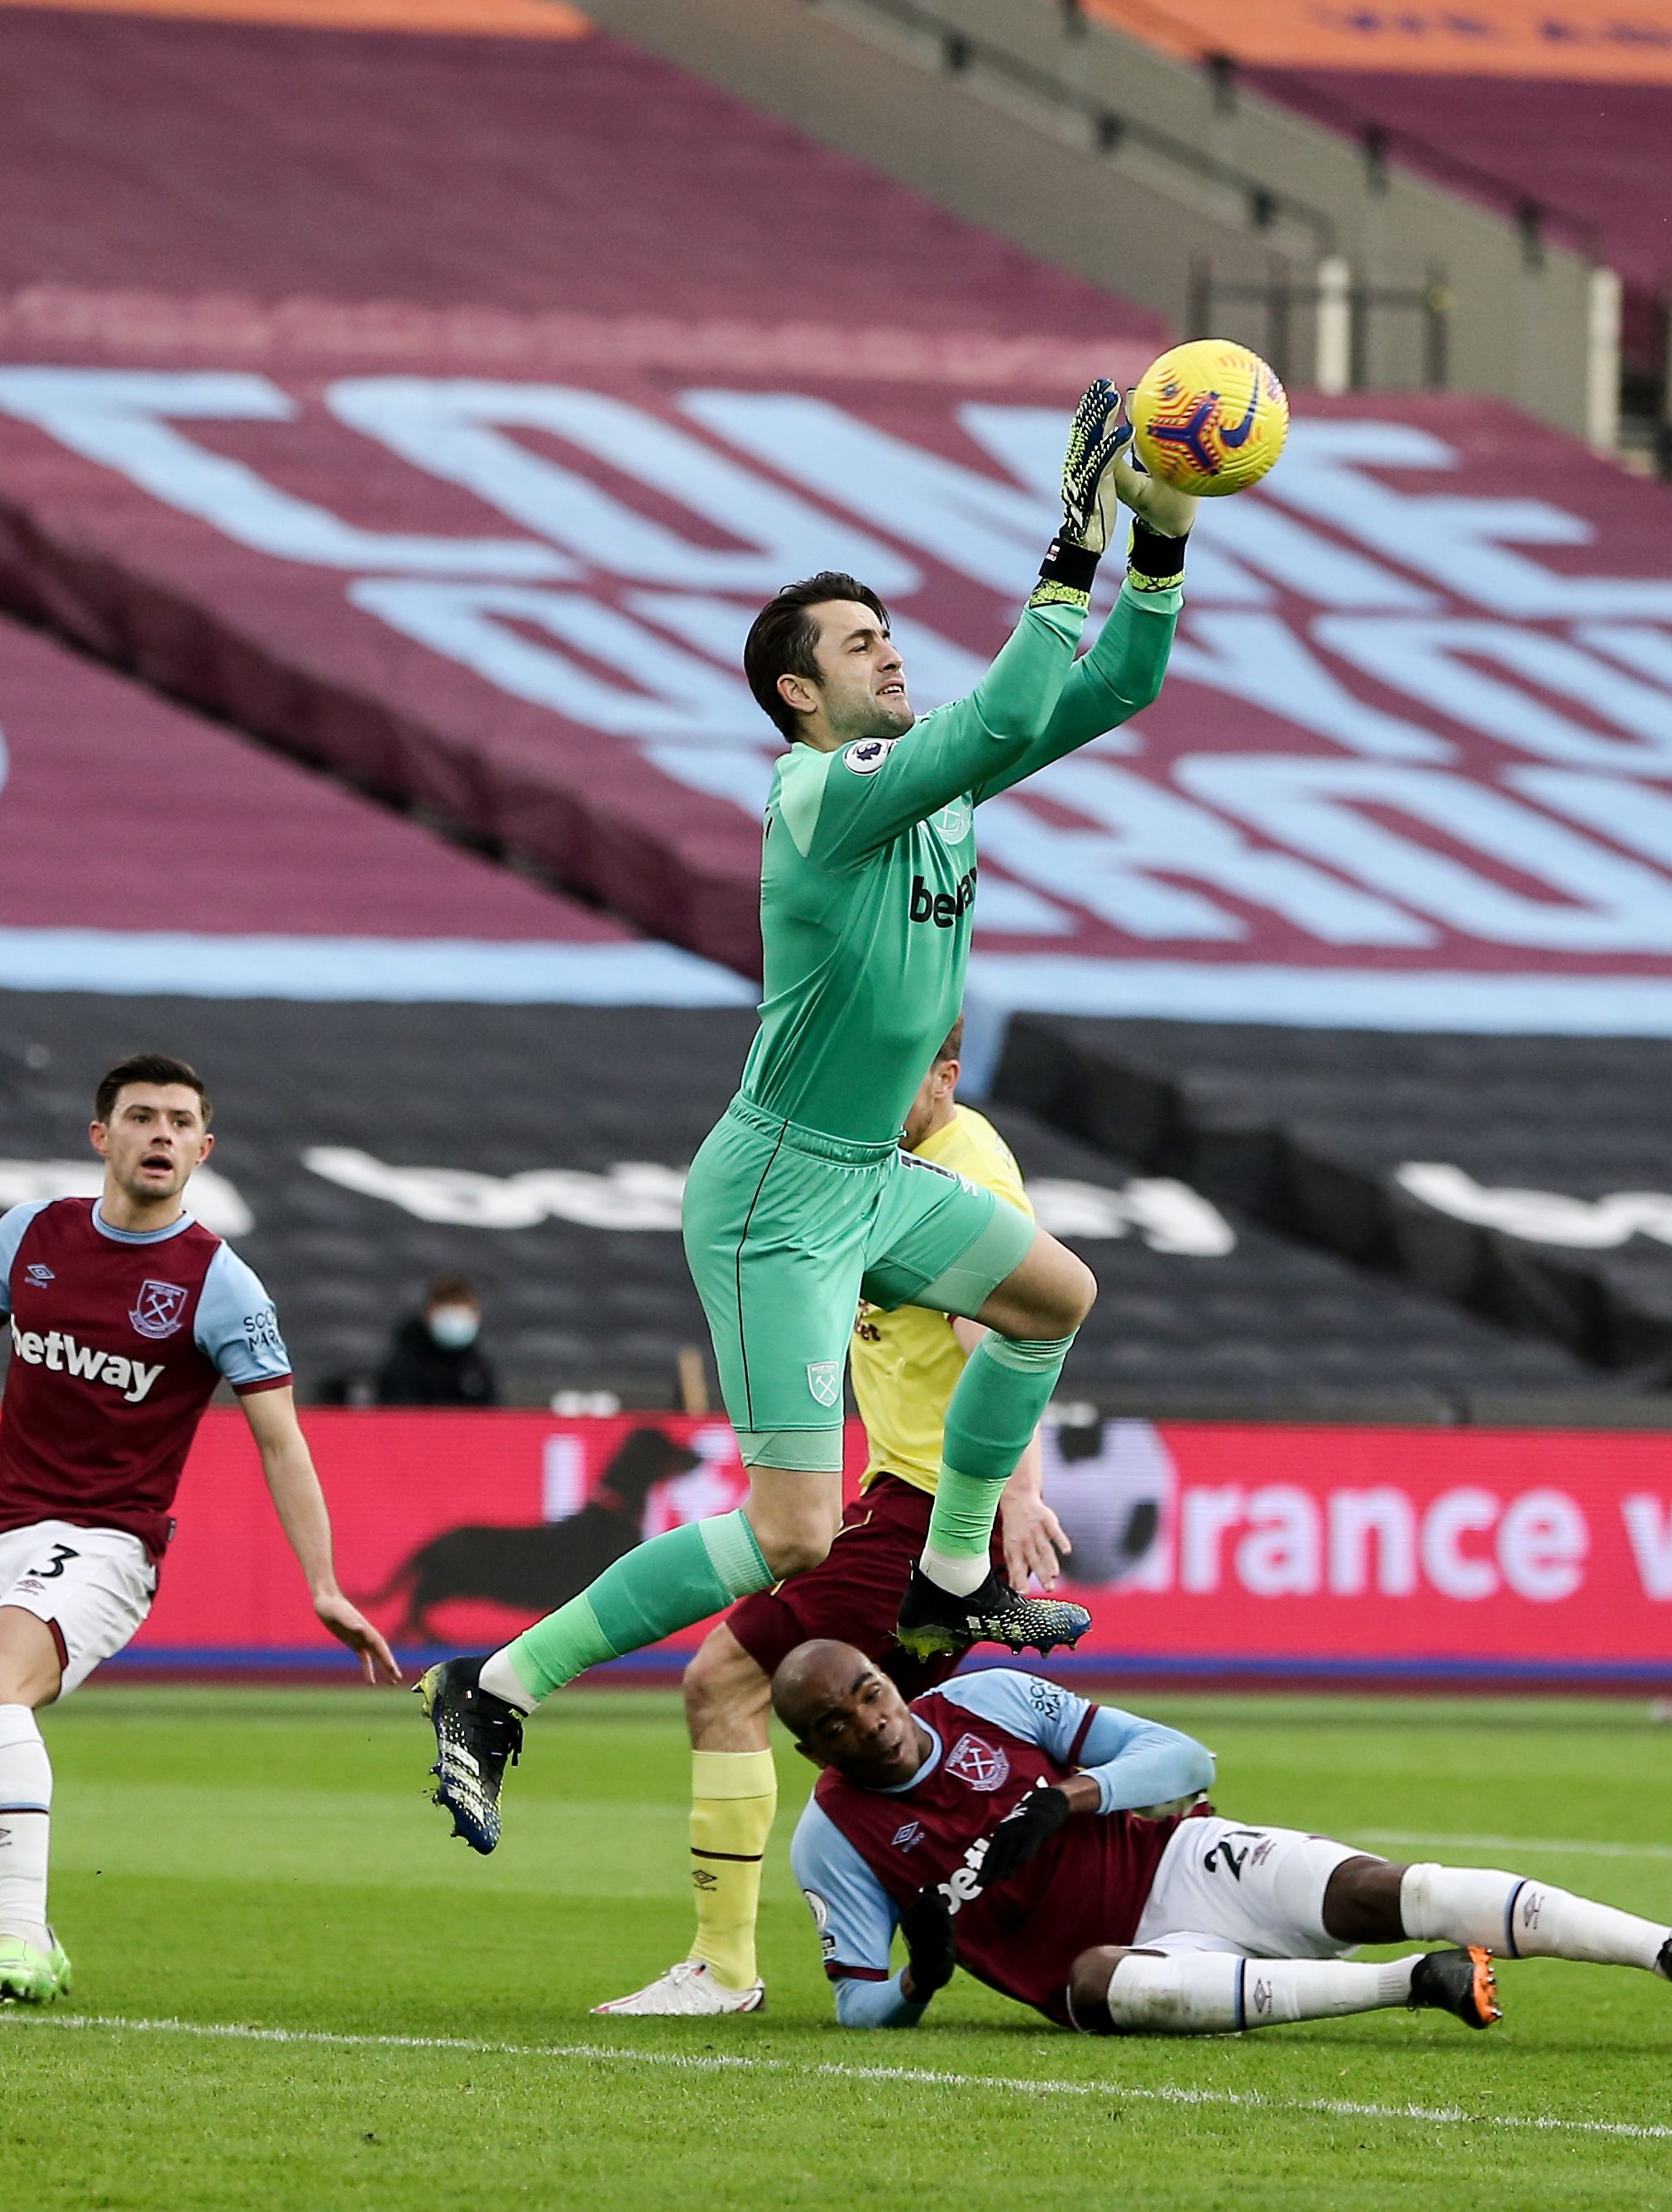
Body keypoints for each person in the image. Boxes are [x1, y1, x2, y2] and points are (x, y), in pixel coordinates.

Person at [424, 380, 1198, 1853]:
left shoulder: (934, 792)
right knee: (790, 1531)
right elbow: (1025, 695)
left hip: (868, 1170)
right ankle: (500, 1678)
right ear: (798, 691)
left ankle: (962, 1563)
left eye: (890, 635)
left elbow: (1113, 690)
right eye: (860, 642)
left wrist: (1153, 545)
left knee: (1052, 1295)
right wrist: (1069, 539)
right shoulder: (815, 792)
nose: (889, 653)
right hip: (779, 1183)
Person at [0, 1052, 401, 2005]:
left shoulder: (220, 1282)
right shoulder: (32, 1234)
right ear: (100, 1136)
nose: (161, 1134)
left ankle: (19, 1940)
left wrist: (323, 1582)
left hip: (108, 1540)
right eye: (141, 1117)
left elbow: (283, 1441)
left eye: (181, 1122)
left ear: (203, 1147)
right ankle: (27, 1937)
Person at [599, 1019, 1066, 2016]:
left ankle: (726, 1968)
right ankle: (984, 1882)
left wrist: (1019, 1492)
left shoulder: (960, 1168)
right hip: (905, 1506)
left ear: (944, 1078)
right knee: (852, 1736)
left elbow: (1002, 1336)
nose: (869, 1100)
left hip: (929, 1518)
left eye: (895, 1079)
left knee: (726, 1681)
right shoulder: (879, 1164)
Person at [775, 1640, 1672, 2035]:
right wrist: (921, 1979)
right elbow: (858, 2004)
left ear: (886, 1677)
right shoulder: (833, 1838)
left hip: (1188, 1863)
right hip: (1104, 1960)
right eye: (837, 1725)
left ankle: (1667, 1946)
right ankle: (1417, 1983)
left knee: (1383, 1887)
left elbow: (1186, 1758)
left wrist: (1071, 1798)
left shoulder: (988, 1699)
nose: (869, 1721)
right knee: (1103, 1985)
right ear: (809, 1745)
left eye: (869, 1692)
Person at [375, 1275, 497, 1406]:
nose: (455, 1322)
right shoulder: (403, 1366)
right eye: (449, 1313)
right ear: (429, 1314)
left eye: (461, 1314)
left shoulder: (478, 1367)